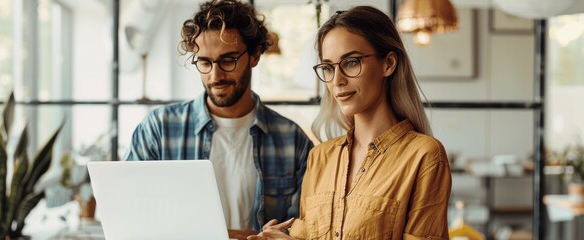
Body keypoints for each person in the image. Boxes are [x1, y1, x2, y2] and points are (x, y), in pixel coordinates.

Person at [248, 6, 451, 240]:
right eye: (328, 68)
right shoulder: (319, 158)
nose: (337, 81)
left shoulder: (424, 156)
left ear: (389, 63)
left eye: (351, 62)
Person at [123, 0, 314, 232]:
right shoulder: (158, 130)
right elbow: (130, 217)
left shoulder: (293, 141)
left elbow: (302, 231)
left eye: (228, 60)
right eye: (204, 62)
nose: (216, 75)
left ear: (254, 56)